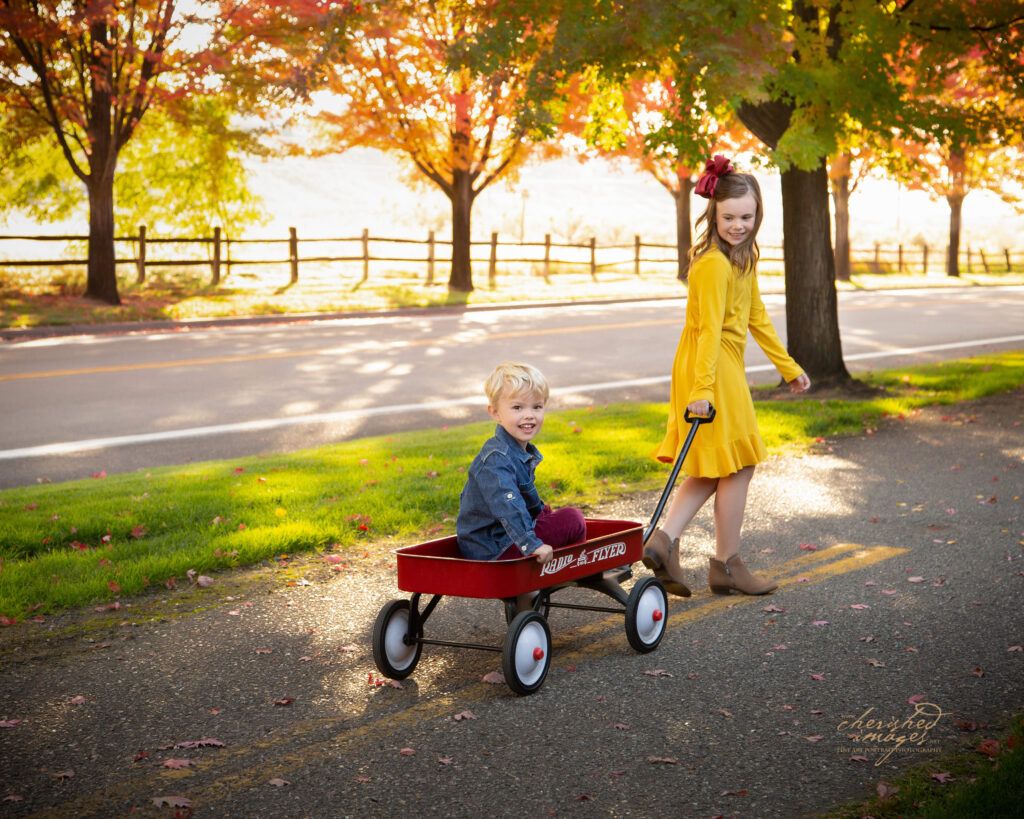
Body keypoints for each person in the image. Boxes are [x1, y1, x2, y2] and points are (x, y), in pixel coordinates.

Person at [644, 155, 811, 597]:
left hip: (721, 366)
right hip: (710, 367)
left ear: (758, 216)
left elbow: (756, 315)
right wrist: (701, 391)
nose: (739, 225)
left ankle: (667, 542)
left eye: (747, 217)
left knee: (720, 465)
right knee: (738, 464)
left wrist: (788, 367)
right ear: (712, 214)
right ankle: (725, 562)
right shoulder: (714, 265)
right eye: (729, 217)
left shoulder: (742, 257)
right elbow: (709, 332)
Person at [456, 362, 587, 568]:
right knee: (572, 519)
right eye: (517, 407)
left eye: (537, 406)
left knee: (547, 512)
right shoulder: (496, 459)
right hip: (495, 550)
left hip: (502, 541)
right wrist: (531, 543)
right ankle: (576, 569)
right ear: (495, 413)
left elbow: (525, 499)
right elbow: (508, 505)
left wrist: (542, 513)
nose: (529, 415)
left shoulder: (516, 451)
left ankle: (545, 578)